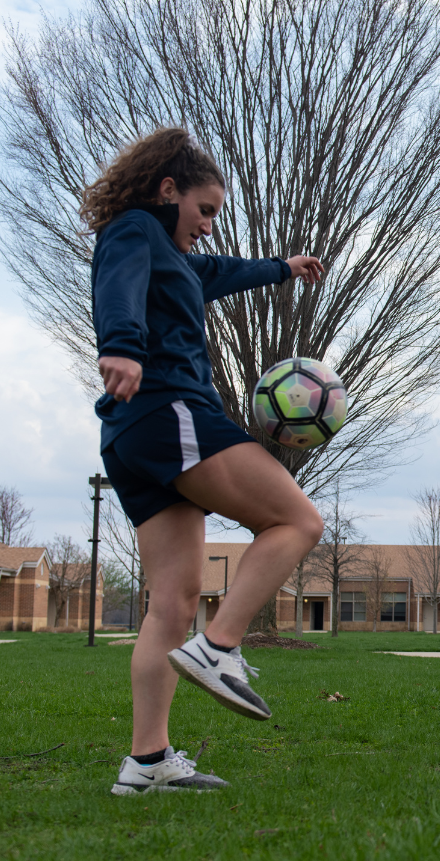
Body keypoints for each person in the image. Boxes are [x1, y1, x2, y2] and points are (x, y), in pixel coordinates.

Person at [85, 128, 326, 794]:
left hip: (134, 438)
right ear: (169, 191)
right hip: (170, 410)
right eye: (205, 210)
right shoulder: (135, 229)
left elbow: (218, 272)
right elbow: (120, 279)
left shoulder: (178, 256)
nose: (208, 225)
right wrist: (124, 345)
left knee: (171, 602)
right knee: (296, 522)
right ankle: (219, 649)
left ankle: (147, 762)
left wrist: (282, 266)